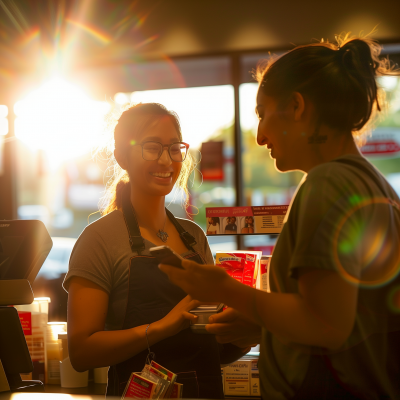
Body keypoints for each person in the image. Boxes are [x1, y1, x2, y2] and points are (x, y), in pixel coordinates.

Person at [160, 35, 400, 400]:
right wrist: (262, 323)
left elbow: (326, 325)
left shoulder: (328, 183)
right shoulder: (372, 183)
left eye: (262, 113)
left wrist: (225, 290)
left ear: (296, 106)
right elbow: (351, 322)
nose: (259, 137)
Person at [63, 103, 244, 399]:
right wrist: (161, 328)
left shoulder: (194, 237)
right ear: (122, 157)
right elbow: (82, 353)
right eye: (152, 147)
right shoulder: (99, 239)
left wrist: (242, 336)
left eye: (174, 148)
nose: (166, 160)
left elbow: (211, 350)